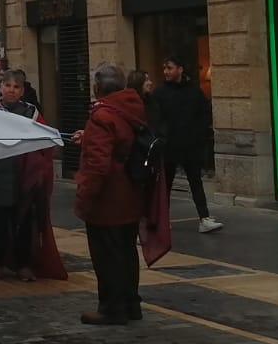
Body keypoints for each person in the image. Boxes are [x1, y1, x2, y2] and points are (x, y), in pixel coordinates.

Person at [74, 62, 150, 325]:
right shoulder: (130, 108)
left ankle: (111, 308)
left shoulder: (102, 117)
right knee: (126, 252)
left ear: (96, 88)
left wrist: (84, 198)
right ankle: (131, 304)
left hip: (107, 200)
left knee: (106, 256)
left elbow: (97, 166)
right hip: (130, 193)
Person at [0, 70, 65, 283]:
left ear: (22, 90)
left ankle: (23, 265)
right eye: (8, 86)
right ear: (1, 87)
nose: (11, 90)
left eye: (16, 87)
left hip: (23, 177)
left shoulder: (31, 113)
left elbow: (44, 143)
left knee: (24, 223)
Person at [152, 55, 222, 233]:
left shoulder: (193, 91)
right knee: (165, 185)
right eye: (165, 68)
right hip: (169, 147)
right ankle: (163, 220)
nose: (166, 72)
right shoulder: (160, 93)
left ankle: (204, 218)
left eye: (170, 68)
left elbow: (204, 112)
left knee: (195, 182)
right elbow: (155, 118)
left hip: (189, 145)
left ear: (180, 69)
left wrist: (198, 134)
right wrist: (163, 138)